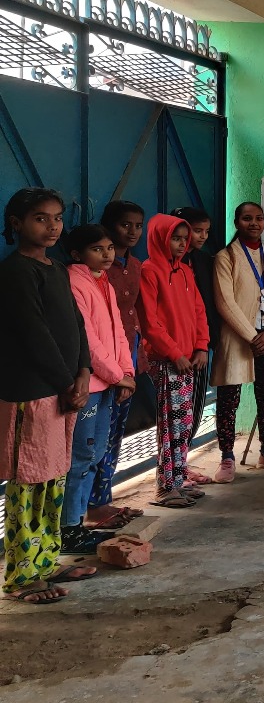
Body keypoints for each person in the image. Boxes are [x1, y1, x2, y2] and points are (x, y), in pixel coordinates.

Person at [0, 188, 95, 603]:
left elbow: (76, 325)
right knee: (28, 483)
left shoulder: (56, 269)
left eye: (57, 218)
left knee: (52, 480)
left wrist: (85, 372)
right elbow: (33, 334)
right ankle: (20, 577)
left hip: (63, 390)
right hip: (32, 393)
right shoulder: (15, 272)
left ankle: (45, 559)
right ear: (16, 223)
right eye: (40, 218)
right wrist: (65, 383)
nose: (52, 225)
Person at [64, 224, 136, 553]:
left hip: (108, 381)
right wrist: (114, 374)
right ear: (77, 254)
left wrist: (126, 372)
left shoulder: (102, 281)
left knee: (94, 455)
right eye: (97, 249)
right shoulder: (74, 281)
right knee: (79, 457)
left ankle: (79, 523)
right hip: (91, 384)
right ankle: (69, 528)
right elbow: (86, 339)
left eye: (109, 248)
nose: (107, 254)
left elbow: (119, 332)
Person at [211, 201, 264, 482]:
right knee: (228, 398)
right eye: (247, 218)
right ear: (237, 222)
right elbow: (225, 301)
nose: (254, 223)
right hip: (238, 338)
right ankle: (226, 458)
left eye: (259, 218)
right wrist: (251, 335)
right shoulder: (226, 257)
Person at [139, 213, 209, 508]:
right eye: (175, 238)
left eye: (184, 238)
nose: (183, 243)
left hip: (188, 360)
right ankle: (164, 487)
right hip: (166, 361)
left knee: (184, 424)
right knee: (169, 426)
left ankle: (179, 481)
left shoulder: (184, 271)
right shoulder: (149, 270)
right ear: (160, 238)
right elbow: (150, 323)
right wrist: (175, 353)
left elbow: (199, 312)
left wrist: (201, 347)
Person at [88, 200, 147, 528]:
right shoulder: (96, 271)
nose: (133, 231)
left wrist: (136, 360)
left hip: (129, 357)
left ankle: (104, 500)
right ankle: (91, 507)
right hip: (104, 365)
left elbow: (133, 314)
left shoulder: (135, 265)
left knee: (115, 435)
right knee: (95, 438)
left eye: (138, 225)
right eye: (126, 225)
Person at [170, 206, 220, 459]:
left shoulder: (203, 261)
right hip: (173, 351)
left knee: (195, 406)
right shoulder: (162, 264)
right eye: (196, 231)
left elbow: (205, 308)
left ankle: (183, 464)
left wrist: (205, 344)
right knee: (172, 416)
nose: (201, 237)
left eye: (206, 232)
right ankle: (173, 472)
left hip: (199, 348)